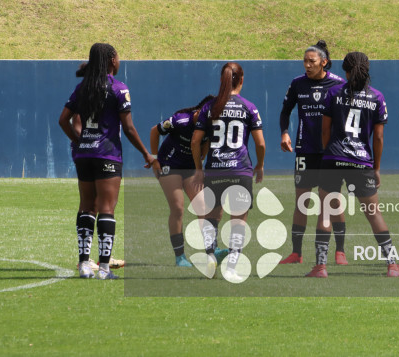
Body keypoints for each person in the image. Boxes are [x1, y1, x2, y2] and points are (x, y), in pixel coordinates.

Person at [58, 43, 155, 280]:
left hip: (84, 156)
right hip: (107, 155)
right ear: (112, 60)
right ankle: (103, 268)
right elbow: (129, 128)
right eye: (118, 57)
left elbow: (63, 120)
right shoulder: (119, 89)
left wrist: (78, 142)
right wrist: (146, 153)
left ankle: (83, 265)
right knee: (107, 209)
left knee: (86, 207)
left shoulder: (82, 88)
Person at [307, 52, 399, 278]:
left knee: (324, 211)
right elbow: (378, 138)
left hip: (333, 157)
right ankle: (392, 265)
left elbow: (325, 130)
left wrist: (329, 152)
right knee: (374, 213)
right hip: (361, 161)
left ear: (346, 70)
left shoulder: (333, 93)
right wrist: (376, 168)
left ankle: (320, 267)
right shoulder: (377, 97)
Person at [191, 62, 266, 282]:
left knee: (212, 218)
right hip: (240, 170)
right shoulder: (249, 107)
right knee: (238, 222)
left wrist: (198, 168)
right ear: (241, 80)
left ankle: (211, 256)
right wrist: (259, 165)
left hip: (214, 170)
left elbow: (196, 141)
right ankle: (232, 266)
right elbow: (260, 143)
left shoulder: (210, 107)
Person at [278, 41, 348, 265]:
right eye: (305, 61)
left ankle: (340, 250)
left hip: (331, 153)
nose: (307, 65)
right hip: (305, 150)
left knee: (332, 202)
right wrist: (284, 133)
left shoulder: (339, 85)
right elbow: (285, 111)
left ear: (324, 62)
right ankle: (296, 252)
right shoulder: (298, 84)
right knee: (302, 201)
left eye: (312, 61)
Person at [149, 94, 229, 267]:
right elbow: (154, 131)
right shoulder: (180, 121)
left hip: (190, 168)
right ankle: (180, 257)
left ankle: (212, 249)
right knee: (178, 208)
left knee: (204, 207)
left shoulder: (210, 125)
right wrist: (154, 159)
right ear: (200, 110)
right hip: (169, 165)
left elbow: (205, 145)